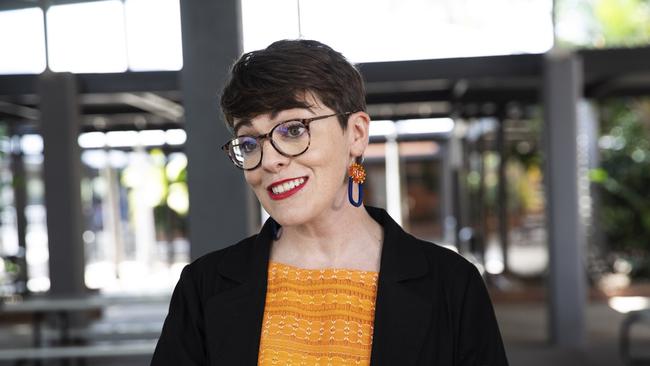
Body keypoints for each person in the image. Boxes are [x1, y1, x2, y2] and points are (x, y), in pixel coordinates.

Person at [151, 39, 508, 366]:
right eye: (249, 143)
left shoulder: (452, 285)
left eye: (292, 130)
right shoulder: (204, 287)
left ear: (356, 134)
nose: (270, 159)